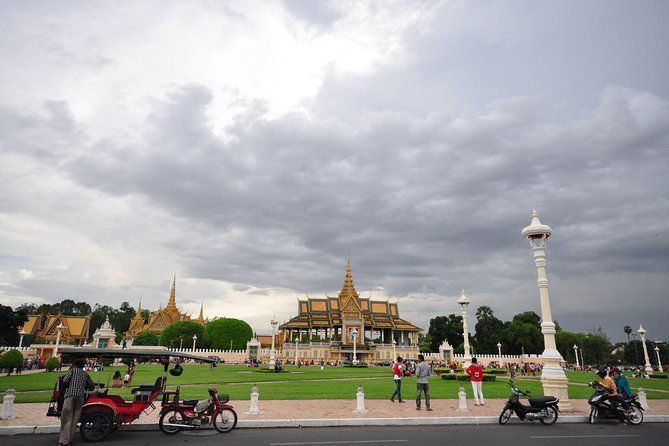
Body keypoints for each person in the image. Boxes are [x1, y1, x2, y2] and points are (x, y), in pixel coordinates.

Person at [58, 359, 95, 446]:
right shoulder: (85, 374)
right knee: (75, 418)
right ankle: (69, 439)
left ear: (75, 365)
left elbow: (65, 380)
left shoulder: (72, 371)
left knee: (67, 417)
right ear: (82, 366)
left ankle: (63, 440)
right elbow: (92, 386)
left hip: (70, 395)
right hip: (80, 397)